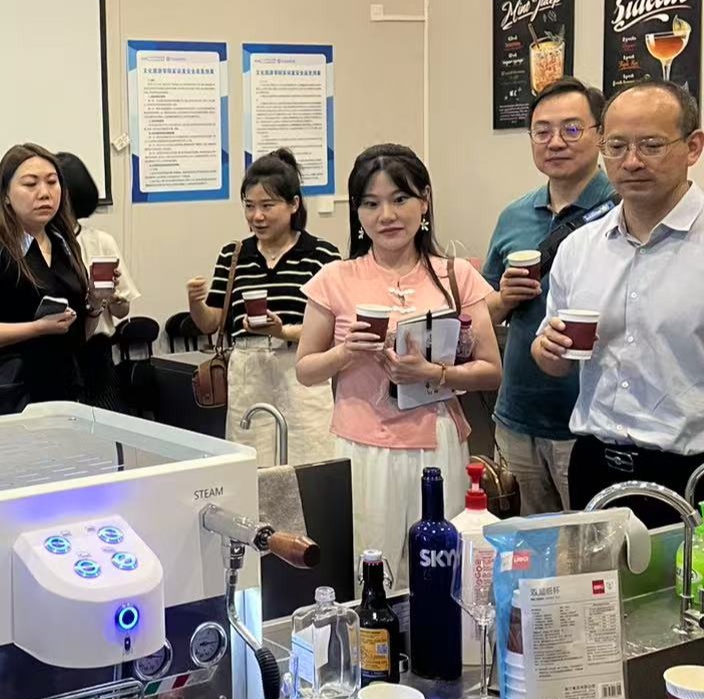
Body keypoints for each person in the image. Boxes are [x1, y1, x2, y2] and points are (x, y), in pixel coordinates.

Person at [296, 144, 502, 581]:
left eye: (400, 199)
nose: (386, 215)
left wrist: (434, 373)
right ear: (357, 212)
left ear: (424, 201)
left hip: (436, 442)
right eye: (371, 204)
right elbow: (305, 369)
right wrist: (345, 352)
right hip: (363, 444)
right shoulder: (335, 278)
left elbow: (490, 370)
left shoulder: (456, 275)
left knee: (440, 567)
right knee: (372, 564)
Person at [533, 80, 704, 529]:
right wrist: (547, 350)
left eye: (651, 145)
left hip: (690, 472)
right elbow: (555, 361)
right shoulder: (579, 248)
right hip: (594, 465)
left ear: (693, 147)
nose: (631, 161)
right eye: (616, 146)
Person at [482, 78, 615, 514]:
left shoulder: (622, 211)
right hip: (517, 416)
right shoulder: (514, 215)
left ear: (600, 135)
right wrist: (504, 298)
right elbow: (482, 313)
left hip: (591, 427)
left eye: (572, 129)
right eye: (542, 131)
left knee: (591, 550)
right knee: (520, 545)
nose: (555, 142)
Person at [185, 149, 341, 466]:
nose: (257, 216)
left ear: (294, 204)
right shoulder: (233, 254)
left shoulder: (322, 255)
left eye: (267, 206)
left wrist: (283, 331)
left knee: (310, 461)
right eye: (249, 206)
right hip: (247, 371)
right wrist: (195, 302)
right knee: (252, 465)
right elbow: (211, 323)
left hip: (300, 370)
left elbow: (336, 329)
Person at [0, 143, 100, 403]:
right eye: (30, 184)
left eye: (52, 182)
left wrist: (95, 303)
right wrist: (36, 328)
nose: (44, 193)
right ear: (6, 195)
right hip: (9, 395)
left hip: (66, 391)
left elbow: (78, 336)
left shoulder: (64, 245)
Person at [56, 151, 141, 411]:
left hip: (97, 355)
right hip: (56, 353)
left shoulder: (101, 241)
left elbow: (122, 310)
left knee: (105, 426)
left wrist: (111, 298)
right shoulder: (40, 245)